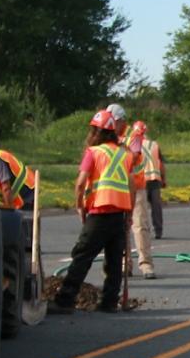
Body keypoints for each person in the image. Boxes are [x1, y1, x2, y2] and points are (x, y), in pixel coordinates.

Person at [51, 107, 142, 314]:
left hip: (99, 214)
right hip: (119, 214)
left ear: (98, 132)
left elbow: (81, 183)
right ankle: (109, 302)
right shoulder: (125, 155)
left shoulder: (93, 153)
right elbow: (132, 188)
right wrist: (129, 214)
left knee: (82, 256)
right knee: (114, 260)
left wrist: (80, 206)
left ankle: (65, 300)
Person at [124, 120, 165, 276]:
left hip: (139, 184)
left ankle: (144, 264)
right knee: (133, 225)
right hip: (131, 184)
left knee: (140, 223)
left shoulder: (133, 138)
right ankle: (126, 264)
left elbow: (136, 159)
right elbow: (161, 164)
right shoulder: (153, 144)